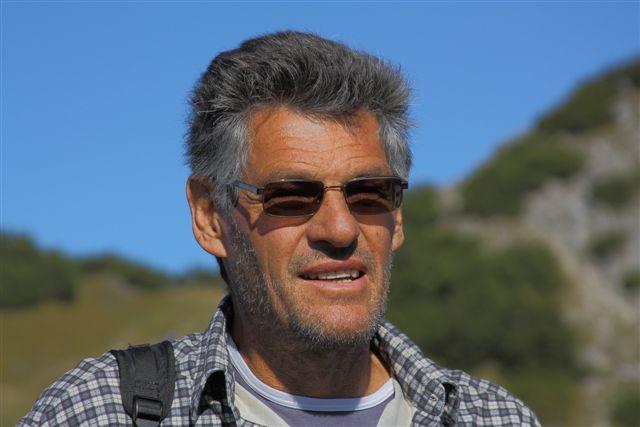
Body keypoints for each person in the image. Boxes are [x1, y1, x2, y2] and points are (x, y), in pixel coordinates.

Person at [20, 31, 540, 426]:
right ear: (210, 216)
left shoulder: (492, 417)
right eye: (290, 197)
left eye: (369, 194)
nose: (340, 228)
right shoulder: (100, 411)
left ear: (397, 216)